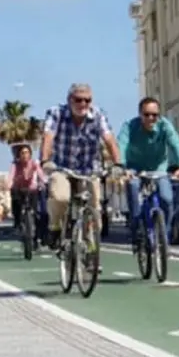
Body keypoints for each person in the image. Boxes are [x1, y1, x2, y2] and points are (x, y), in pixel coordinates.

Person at [39, 83, 122, 250]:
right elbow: (48, 136)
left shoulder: (98, 115)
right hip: (61, 167)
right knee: (61, 197)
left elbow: (109, 139)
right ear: (69, 100)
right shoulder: (56, 113)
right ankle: (55, 227)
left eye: (87, 100)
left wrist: (118, 163)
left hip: (89, 169)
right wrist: (45, 160)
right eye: (78, 100)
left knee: (95, 209)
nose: (83, 104)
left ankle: (91, 250)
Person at [118, 96, 179, 252]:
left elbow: (176, 145)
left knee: (167, 198)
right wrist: (122, 168)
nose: (151, 118)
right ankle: (137, 229)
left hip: (158, 169)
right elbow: (121, 146)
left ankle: (164, 237)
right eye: (147, 115)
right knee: (133, 186)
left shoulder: (165, 126)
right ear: (140, 114)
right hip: (134, 169)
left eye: (154, 115)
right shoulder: (129, 127)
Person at [7, 143, 46, 244]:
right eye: (23, 153)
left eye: (27, 152)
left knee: (36, 213)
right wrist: (9, 184)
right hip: (19, 189)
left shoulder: (34, 163)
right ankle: (17, 221)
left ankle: (37, 235)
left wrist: (44, 183)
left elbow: (40, 174)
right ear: (19, 155)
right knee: (15, 200)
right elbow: (11, 176)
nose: (25, 155)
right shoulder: (15, 164)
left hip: (31, 189)